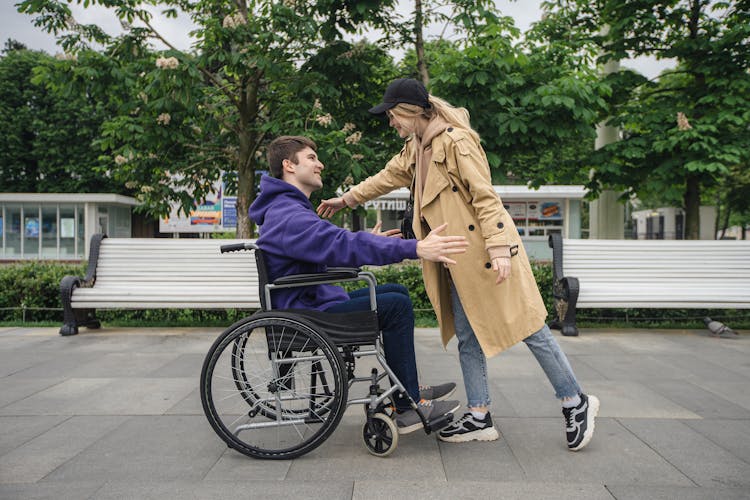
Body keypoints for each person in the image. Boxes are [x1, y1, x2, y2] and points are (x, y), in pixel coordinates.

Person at [317, 78, 600, 451]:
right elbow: (387, 177)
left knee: (530, 326)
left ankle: (575, 401)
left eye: (392, 116)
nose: (390, 123)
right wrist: (348, 200)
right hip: (456, 257)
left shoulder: (455, 141)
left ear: (410, 111)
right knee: (469, 335)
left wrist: (498, 248)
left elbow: (486, 197)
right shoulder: (417, 147)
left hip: (486, 252)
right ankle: (480, 415)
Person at [249, 135, 467, 435]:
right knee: (397, 305)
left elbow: (327, 252)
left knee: (395, 293)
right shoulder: (289, 215)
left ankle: (408, 387)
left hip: (309, 303)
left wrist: (375, 245)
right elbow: (340, 242)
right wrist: (412, 248)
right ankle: (407, 405)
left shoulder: (287, 209)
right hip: (307, 313)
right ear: (289, 165)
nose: (319, 163)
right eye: (311, 157)